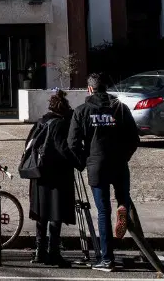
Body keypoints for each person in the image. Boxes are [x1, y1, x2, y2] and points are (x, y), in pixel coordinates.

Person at [68, 72, 140, 272]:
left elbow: (72, 143)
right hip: (119, 163)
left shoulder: (82, 111)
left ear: (89, 89)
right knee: (123, 196)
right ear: (106, 88)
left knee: (103, 212)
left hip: (97, 165)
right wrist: (124, 156)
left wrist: (83, 161)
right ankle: (123, 205)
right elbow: (134, 139)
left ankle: (107, 259)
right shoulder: (120, 108)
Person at [27, 89, 79, 267]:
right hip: (56, 176)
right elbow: (63, 149)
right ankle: (54, 252)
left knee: (41, 215)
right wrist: (79, 162)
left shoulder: (41, 121)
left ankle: (39, 251)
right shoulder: (59, 124)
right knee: (56, 215)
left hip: (39, 175)